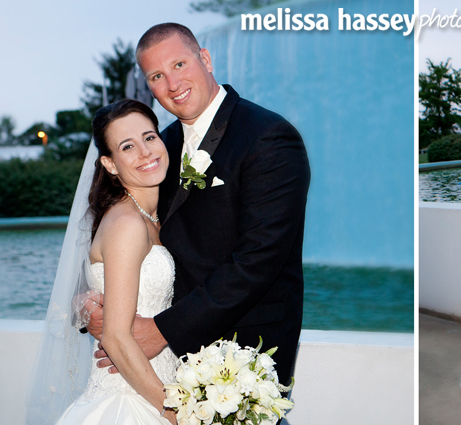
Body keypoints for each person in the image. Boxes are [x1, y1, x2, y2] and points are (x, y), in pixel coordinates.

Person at [85, 23, 311, 401]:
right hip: (171, 359)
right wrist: (90, 298)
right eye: (157, 76)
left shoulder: (268, 136)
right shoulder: (159, 147)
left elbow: (259, 259)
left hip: (246, 350)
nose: (172, 84)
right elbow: (120, 231)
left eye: (179, 65)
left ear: (204, 59)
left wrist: (162, 330)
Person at [52, 99, 178, 424]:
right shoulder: (127, 224)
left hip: (162, 381)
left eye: (149, 137)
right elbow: (116, 337)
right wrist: (173, 412)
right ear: (109, 164)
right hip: (131, 399)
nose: (145, 152)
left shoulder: (151, 218)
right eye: (128, 146)